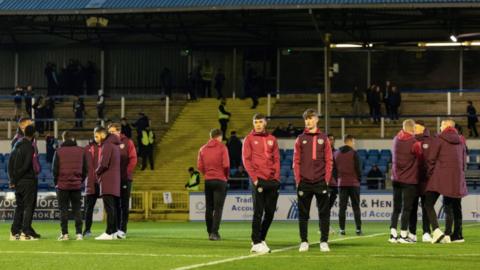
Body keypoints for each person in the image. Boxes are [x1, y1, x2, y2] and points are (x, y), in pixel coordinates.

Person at [293, 109, 332, 253]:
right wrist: (298, 180)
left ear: (316, 119)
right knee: (303, 214)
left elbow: (329, 160)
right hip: (304, 182)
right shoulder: (300, 138)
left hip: (321, 181)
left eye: (310, 118)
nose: (308, 121)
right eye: (306, 119)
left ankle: (324, 241)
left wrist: (326, 179)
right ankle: (304, 241)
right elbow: (295, 161)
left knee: (324, 213)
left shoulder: (324, 138)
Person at [424, 119, 468, 244]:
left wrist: (431, 174)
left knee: (428, 203)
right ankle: (450, 235)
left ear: (445, 127)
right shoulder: (461, 141)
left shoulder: (439, 139)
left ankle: (437, 231)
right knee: (451, 206)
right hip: (456, 177)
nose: (440, 128)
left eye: (441, 126)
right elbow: (464, 161)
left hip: (440, 177)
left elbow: (431, 159)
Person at [243, 113, 280, 254]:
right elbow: (246, 160)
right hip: (258, 179)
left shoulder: (272, 139)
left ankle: (261, 238)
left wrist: (276, 178)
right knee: (258, 212)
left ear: (265, 123)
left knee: (270, 212)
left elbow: (276, 159)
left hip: (272, 181)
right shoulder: (249, 139)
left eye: (260, 122)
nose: (258, 124)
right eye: (255, 122)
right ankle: (256, 242)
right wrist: (255, 179)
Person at [389, 119, 422, 244]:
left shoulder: (395, 139)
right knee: (407, 208)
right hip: (409, 179)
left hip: (396, 178)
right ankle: (403, 235)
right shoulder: (415, 142)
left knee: (396, 208)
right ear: (413, 129)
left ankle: (393, 234)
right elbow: (420, 156)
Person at [52, 131, 87, 241]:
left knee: (63, 210)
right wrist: (80, 181)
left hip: (62, 186)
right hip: (76, 185)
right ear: (73, 138)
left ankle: (65, 234)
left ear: (63, 139)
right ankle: (79, 234)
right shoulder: (81, 151)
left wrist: (56, 183)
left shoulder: (58, 151)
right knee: (77, 209)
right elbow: (85, 169)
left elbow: (54, 170)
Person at [197, 129, 230, 240]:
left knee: (209, 208)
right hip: (220, 180)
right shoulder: (222, 148)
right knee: (218, 208)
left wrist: (207, 174)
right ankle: (214, 233)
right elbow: (226, 165)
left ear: (211, 136)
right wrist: (226, 177)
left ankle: (209, 231)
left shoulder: (202, 149)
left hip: (208, 180)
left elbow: (200, 167)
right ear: (219, 137)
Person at [8, 125, 39, 240]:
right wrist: (17, 176)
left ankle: (14, 231)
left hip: (18, 182)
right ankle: (25, 233)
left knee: (19, 207)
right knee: (28, 207)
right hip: (27, 181)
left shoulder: (16, 144)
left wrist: (13, 179)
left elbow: (10, 163)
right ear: (33, 134)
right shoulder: (30, 147)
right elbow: (26, 166)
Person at [108, 123, 137, 238]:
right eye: (109, 132)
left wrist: (125, 173)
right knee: (113, 205)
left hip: (125, 178)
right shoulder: (107, 144)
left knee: (123, 205)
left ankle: (122, 230)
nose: (110, 134)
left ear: (119, 132)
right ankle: (114, 229)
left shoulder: (128, 142)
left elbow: (133, 159)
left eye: (113, 131)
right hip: (112, 179)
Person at [94, 127, 121, 240]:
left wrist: (96, 172)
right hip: (114, 180)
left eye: (96, 136)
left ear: (103, 135)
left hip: (107, 180)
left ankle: (109, 232)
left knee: (109, 208)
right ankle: (114, 232)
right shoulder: (114, 145)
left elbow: (104, 164)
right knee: (113, 208)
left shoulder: (107, 145)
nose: (95, 138)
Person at [334, 135, 362, 236]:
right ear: (349, 141)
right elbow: (358, 169)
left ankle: (342, 229)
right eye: (353, 142)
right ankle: (358, 229)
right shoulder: (354, 153)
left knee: (342, 208)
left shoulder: (336, 153)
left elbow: (334, 170)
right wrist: (359, 179)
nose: (354, 144)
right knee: (356, 207)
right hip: (353, 183)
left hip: (341, 184)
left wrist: (338, 179)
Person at [410, 120, 433, 243]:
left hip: (426, 181)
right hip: (412, 180)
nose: (414, 129)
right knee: (412, 207)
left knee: (426, 208)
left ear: (422, 128)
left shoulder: (430, 141)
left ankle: (426, 232)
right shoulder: (410, 140)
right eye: (413, 127)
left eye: (416, 127)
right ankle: (412, 233)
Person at [83, 133, 101, 237]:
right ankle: (112, 230)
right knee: (111, 206)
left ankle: (87, 230)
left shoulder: (86, 149)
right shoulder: (103, 148)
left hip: (90, 182)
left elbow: (82, 166)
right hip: (101, 181)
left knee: (89, 208)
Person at [328, 134, 338, 211]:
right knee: (323, 201)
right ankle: (324, 221)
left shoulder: (337, 153)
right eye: (329, 139)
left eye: (332, 139)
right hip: (324, 180)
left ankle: (325, 221)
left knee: (333, 198)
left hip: (334, 181)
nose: (331, 141)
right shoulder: (322, 152)